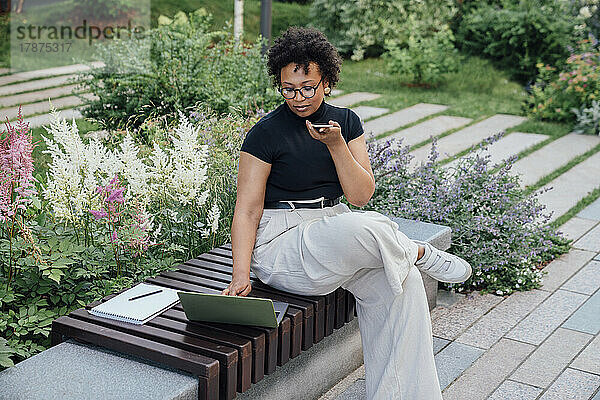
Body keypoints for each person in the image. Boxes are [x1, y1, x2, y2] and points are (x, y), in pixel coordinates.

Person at [221, 26, 472, 399]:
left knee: (404, 285)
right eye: (288, 88)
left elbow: (360, 195)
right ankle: (417, 251)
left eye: (308, 87)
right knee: (368, 229)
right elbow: (247, 209)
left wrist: (337, 145)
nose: (298, 97)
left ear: (327, 81)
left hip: (336, 227)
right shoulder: (265, 133)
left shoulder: (346, 122)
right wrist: (241, 272)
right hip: (284, 243)